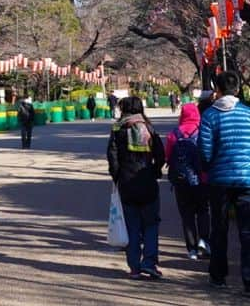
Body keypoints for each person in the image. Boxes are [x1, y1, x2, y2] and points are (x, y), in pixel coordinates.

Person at [198, 70, 250, 291]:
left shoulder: (210, 115)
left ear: (217, 91)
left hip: (219, 181)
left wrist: (209, 169)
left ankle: (218, 276)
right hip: (247, 179)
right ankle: (248, 280)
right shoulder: (248, 113)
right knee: (247, 231)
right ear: (238, 89)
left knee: (219, 229)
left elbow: (204, 150)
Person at [107, 95, 165, 279]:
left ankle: (134, 267)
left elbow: (112, 157)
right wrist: (155, 170)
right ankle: (149, 262)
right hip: (147, 181)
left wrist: (117, 177)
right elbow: (161, 154)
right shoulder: (148, 127)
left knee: (131, 225)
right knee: (150, 224)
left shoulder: (117, 129)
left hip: (126, 182)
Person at [164, 101, 210, 260]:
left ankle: (191, 249)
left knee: (187, 214)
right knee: (203, 211)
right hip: (201, 179)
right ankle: (204, 242)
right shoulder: (202, 130)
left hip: (180, 180)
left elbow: (168, 157)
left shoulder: (174, 134)